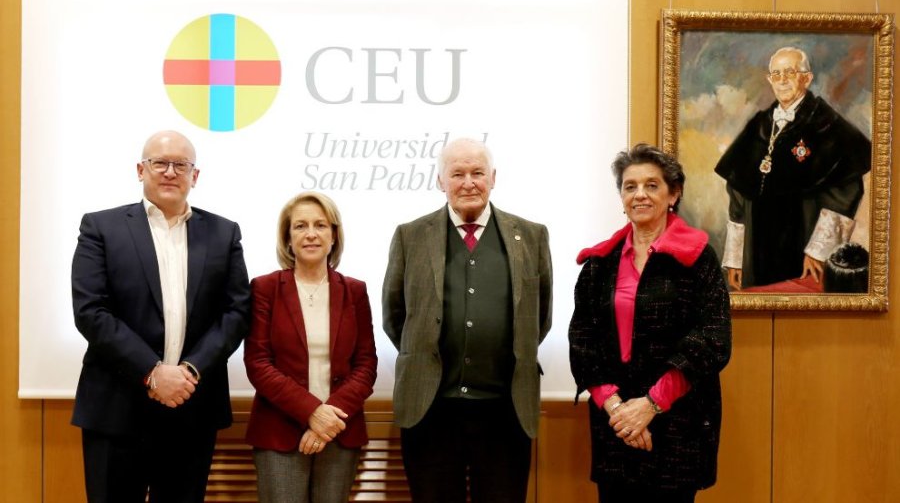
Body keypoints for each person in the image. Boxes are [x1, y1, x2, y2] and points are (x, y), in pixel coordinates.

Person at [71, 130, 251, 503]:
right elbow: (91, 311)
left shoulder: (223, 233)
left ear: (194, 176)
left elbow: (236, 311)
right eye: (160, 163)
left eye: (181, 165)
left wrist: (190, 371)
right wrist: (153, 372)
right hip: (116, 410)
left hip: (192, 408)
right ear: (141, 169)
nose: (170, 172)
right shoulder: (100, 228)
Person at [382, 137, 552, 503]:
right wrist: (426, 356)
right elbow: (394, 315)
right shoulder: (410, 236)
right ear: (441, 181)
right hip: (431, 411)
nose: (468, 182)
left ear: (493, 177)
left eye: (477, 172)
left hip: (505, 411)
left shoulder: (532, 236)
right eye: (457, 173)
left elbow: (541, 317)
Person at [569, 144, 732, 503]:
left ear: (674, 194)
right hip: (615, 423)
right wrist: (617, 409)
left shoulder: (698, 257)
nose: (639, 194)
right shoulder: (599, 262)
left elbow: (713, 338)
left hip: (677, 423)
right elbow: (583, 341)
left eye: (652, 185)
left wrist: (650, 405)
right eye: (630, 186)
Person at [244, 191, 377, 503]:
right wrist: (311, 412)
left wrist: (326, 423)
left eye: (320, 225)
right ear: (288, 238)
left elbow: (366, 364)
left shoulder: (355, 291)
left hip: (339, 430)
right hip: (279, 431)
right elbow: (258, 363)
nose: (311, 234)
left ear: (334, 236)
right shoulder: (265, 289)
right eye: (300, 226)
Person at [715, 46, 871, 290]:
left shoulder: (828, 125)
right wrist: (736, 259)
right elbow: (737, 193)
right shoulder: (758, 125)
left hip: (804, 250)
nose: (783, 80)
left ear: (806, 78)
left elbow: (845, 193)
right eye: (776, 74)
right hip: (756, 252)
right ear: (769, 80)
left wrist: (818, 252)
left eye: (790, 72)